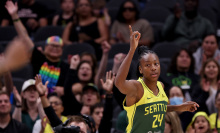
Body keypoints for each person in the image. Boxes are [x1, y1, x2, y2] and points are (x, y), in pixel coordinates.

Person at [114, 25, 199, 133]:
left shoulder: (160, 85)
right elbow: (119, 83)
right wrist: (131, 51)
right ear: (141, 69)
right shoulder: (137, 87)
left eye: (156, 64)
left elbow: (160, 108)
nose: (153, 68)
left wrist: (179, 107)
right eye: (148, 65)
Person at [5, 1, 69, 94]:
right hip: (36, 97)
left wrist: (65, 90)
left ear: (62, 50)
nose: (55, 48)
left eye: (58, 46)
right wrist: (15, 16)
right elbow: (24, 36)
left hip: (56, 100)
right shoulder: (38, 58)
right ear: (45, 47)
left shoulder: (66, 67)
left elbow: (74, 86)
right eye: (52, 45)